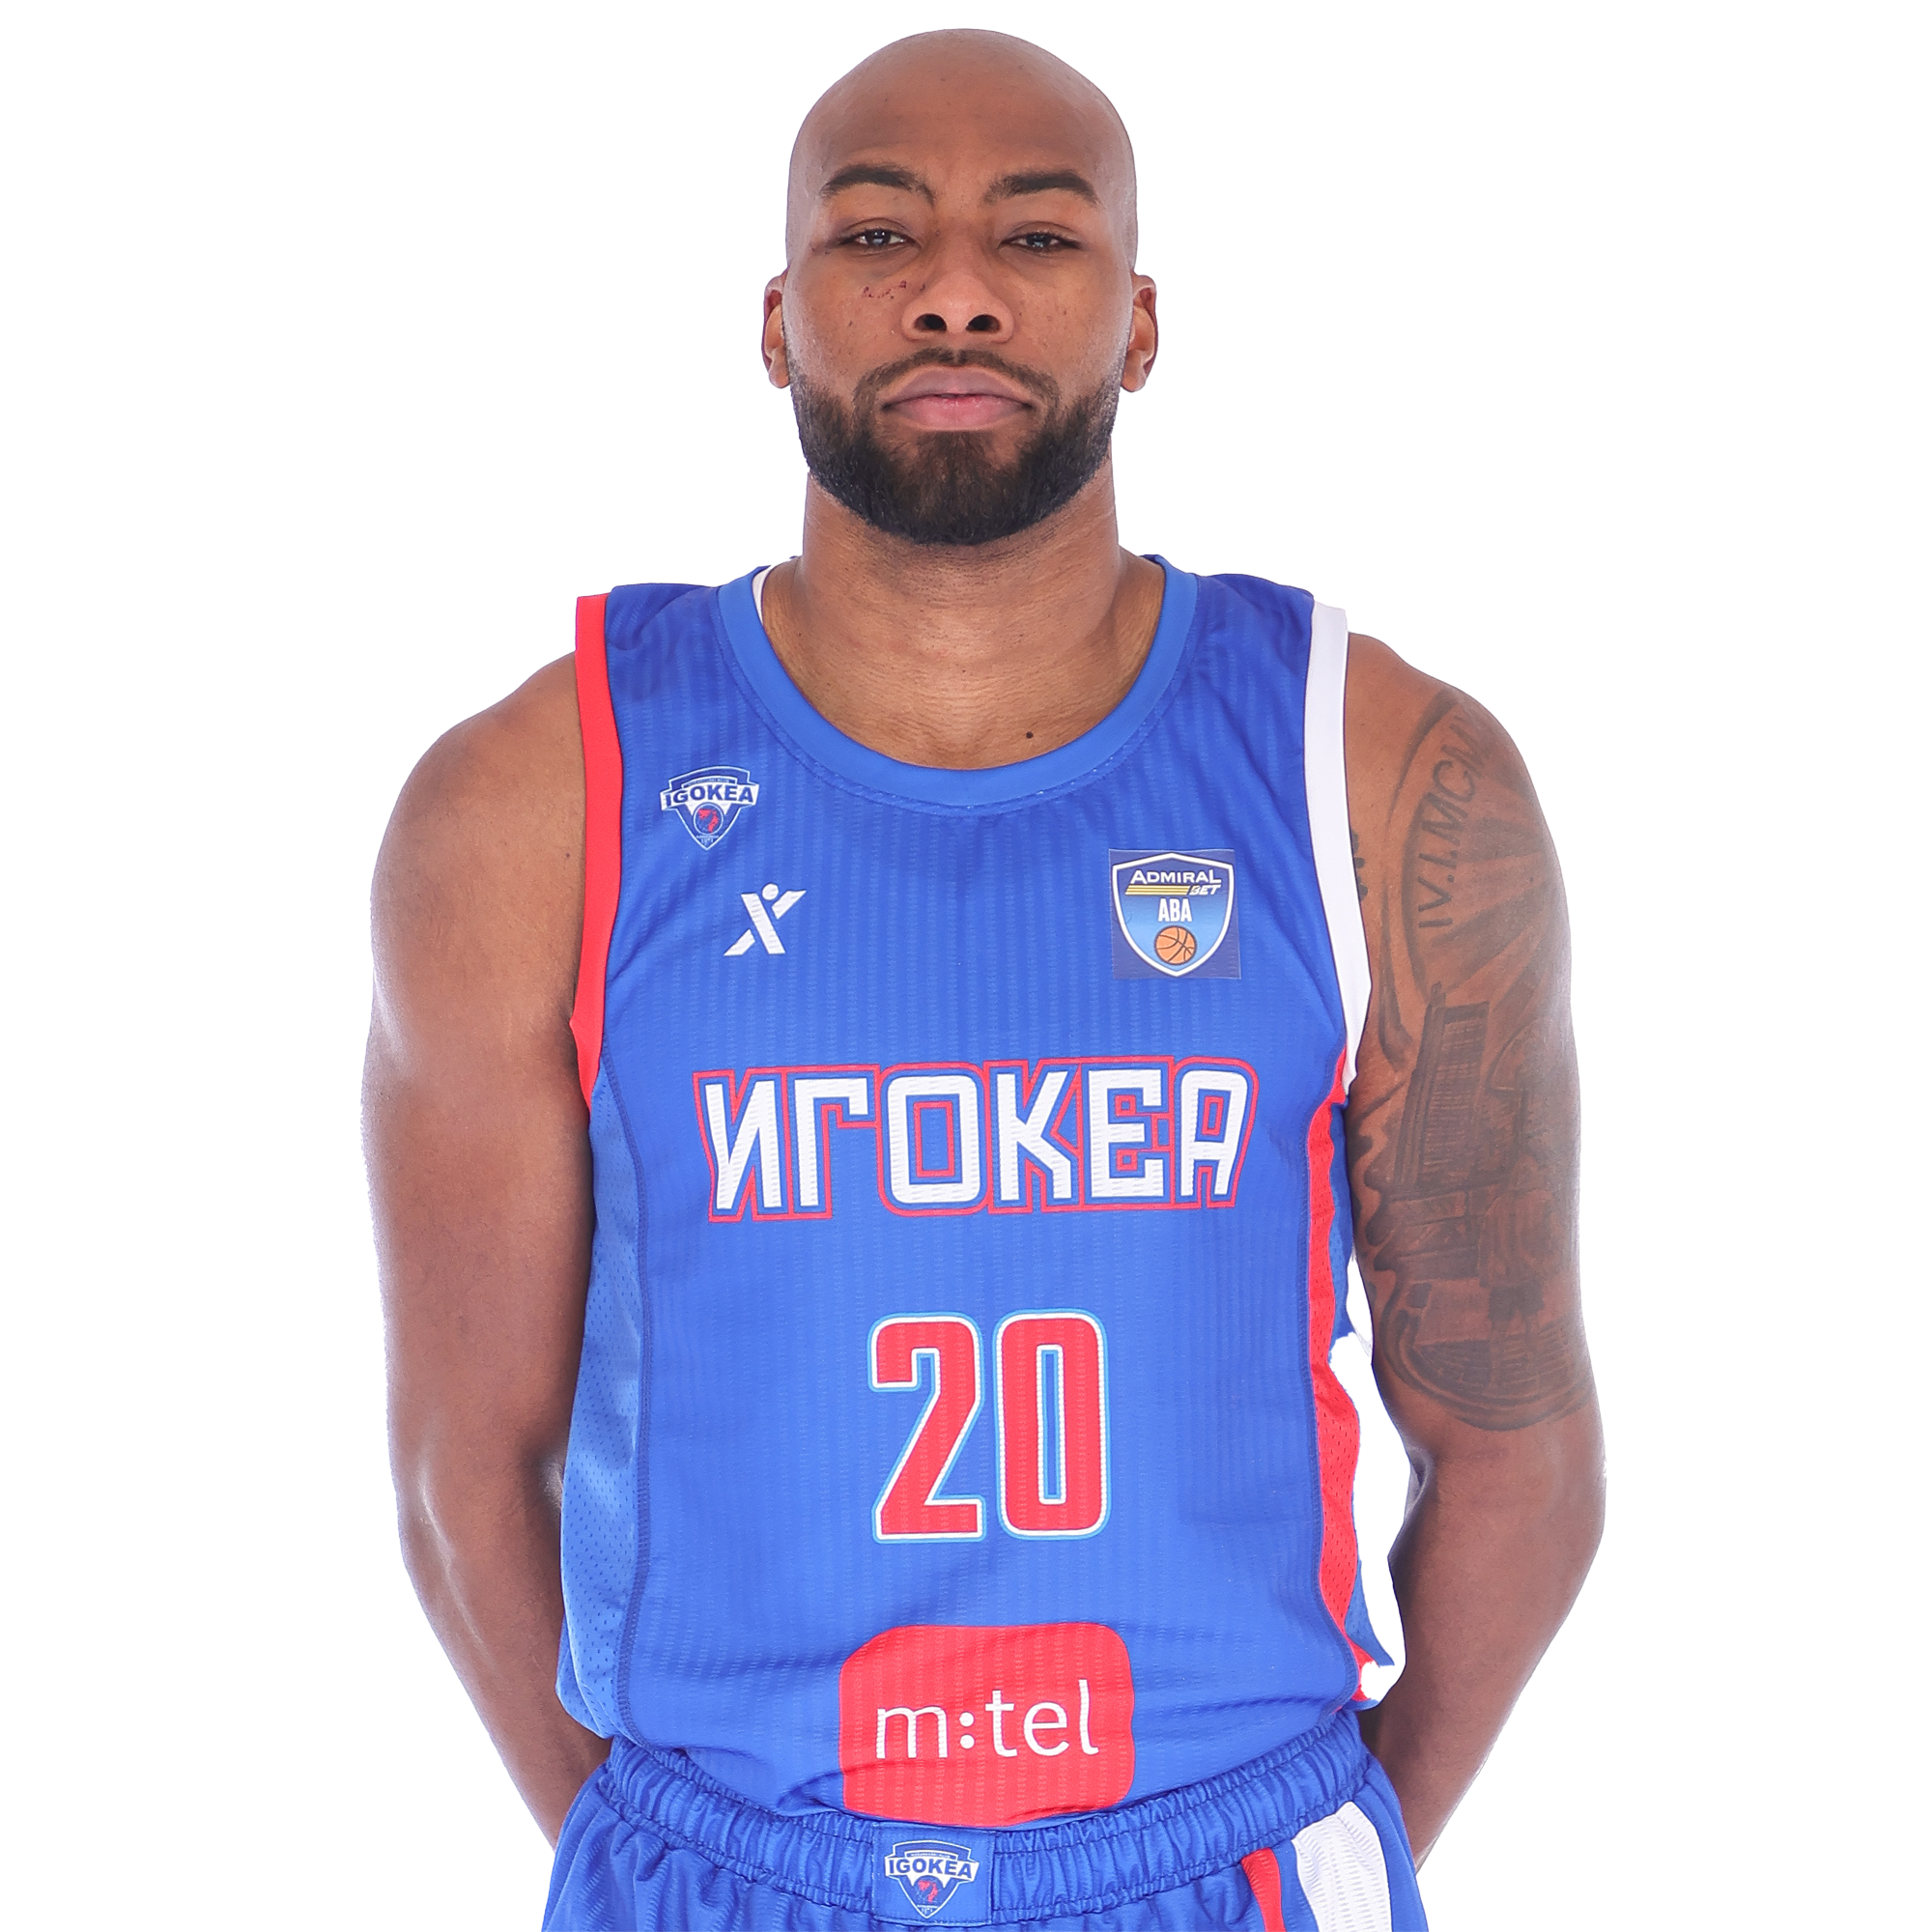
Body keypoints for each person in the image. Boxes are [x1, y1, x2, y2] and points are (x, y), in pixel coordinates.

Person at [363, 29, 1604, 1932]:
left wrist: (1324, 1848)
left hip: (1229, 1855)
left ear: (1141, 320)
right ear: (775, 320)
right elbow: (468, 1470)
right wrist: (680, 1861)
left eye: (1037, 235)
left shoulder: (1367, 769)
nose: (954, 290)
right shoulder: (535, 800)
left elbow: (1515, 1441)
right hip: (729, 1862)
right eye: (877, 236)